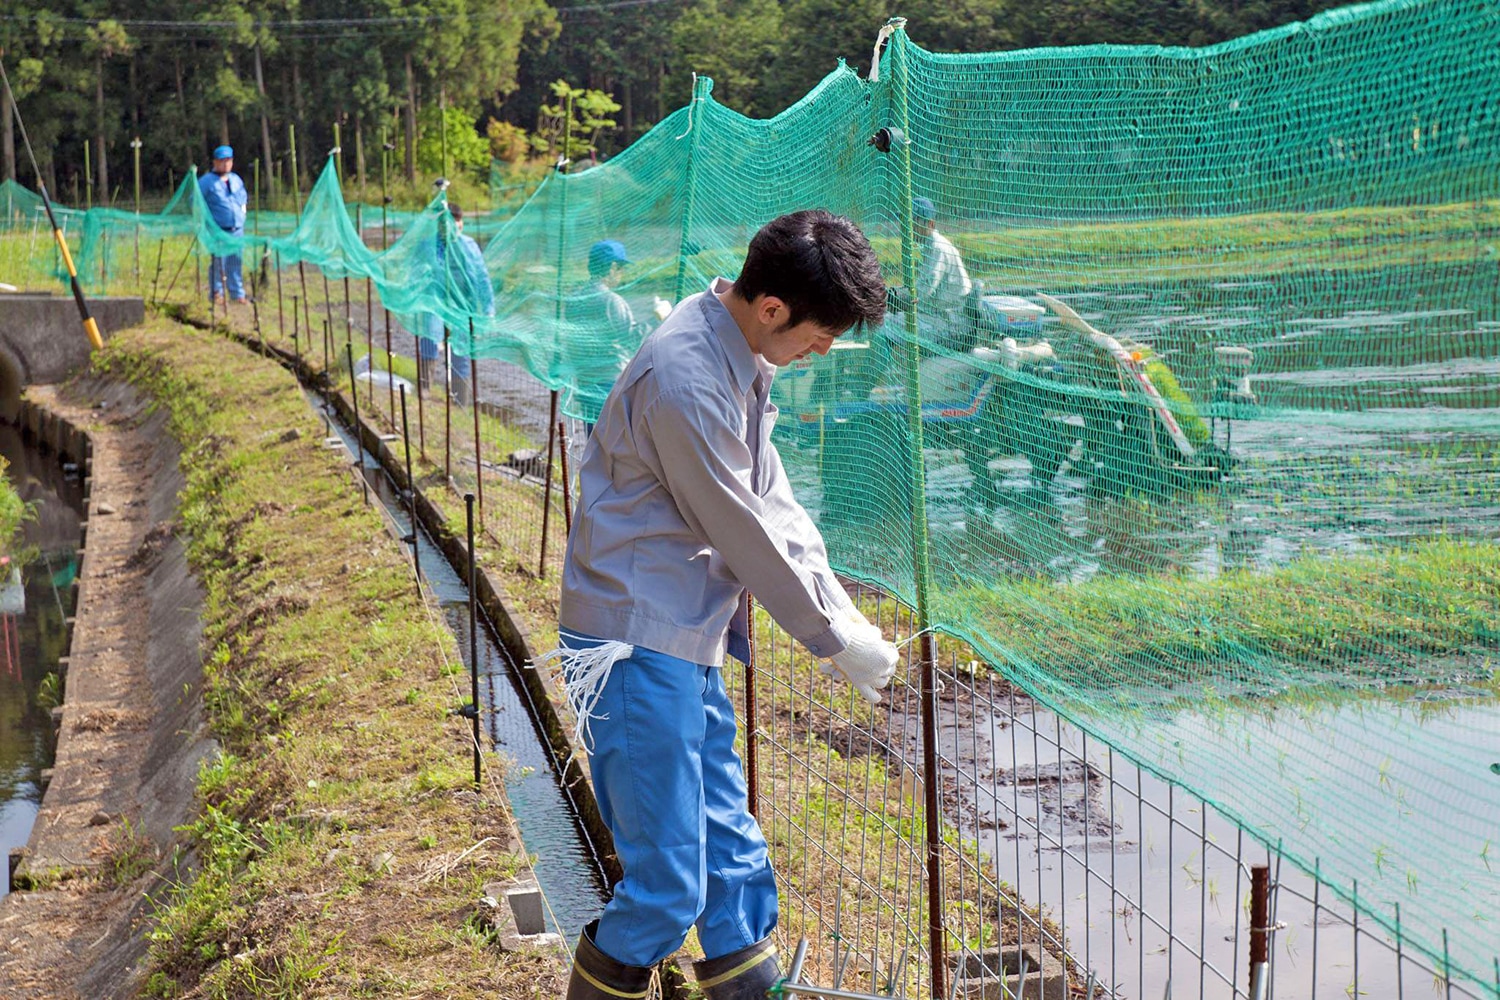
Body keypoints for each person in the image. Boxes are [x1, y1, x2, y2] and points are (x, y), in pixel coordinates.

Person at [547, 210, 901, 1000]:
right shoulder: (686, 376)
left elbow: (774, 502)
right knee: (669, 886)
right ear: (773, 308)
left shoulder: (738, 353)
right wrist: (829, 641)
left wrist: (841, 613)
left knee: (731, 864)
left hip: (686, 636)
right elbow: (740, 526)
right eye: (824, 329)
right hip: (636, 644)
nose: (827, 347)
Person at [417, 202, 494, 406]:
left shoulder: (469, 246)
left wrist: (488, 309)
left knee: (461, 350)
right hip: (434, 302)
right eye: (449, 222)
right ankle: (424, 390)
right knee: (430, 340)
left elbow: (481, 278)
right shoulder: (428, 246)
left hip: (462, 306)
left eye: (458, 221)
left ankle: (461, 400)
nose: (454, 226)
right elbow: (417, 272)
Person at [567, 239, 643, 430]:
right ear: (612, 267)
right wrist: (658, 318)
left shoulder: (574, 299)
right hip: (611, 381)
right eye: (621, 268)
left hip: (585, 380)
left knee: (593, 437)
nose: (621, 274)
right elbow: (631, 340)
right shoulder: (612, 301)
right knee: (617, 440)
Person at [198, 145, 248, 304]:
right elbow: (195, 200)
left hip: (237, 229)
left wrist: (242, 212)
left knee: (236, 261)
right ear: (215, 162)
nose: (225, 164)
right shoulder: (206, 181)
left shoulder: (236, 179)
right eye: (221, 161)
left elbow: (243, 198)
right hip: (218, 230)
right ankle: (216, 293)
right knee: (219, 261)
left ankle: (237, 293)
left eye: (228, 161)